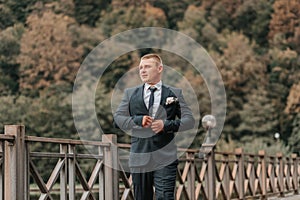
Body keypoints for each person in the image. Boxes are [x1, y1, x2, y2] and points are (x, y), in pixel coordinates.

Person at [114, 53, 195, 200]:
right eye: (140, 68)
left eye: (147, 67)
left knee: (165, 198)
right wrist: (138, 120)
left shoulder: (174, 93)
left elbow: (189, 120)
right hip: (139, 157)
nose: (142, 71)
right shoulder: (130, 93)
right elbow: (118, 120)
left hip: (166, 157)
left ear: (159, 68)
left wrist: (166, 125)